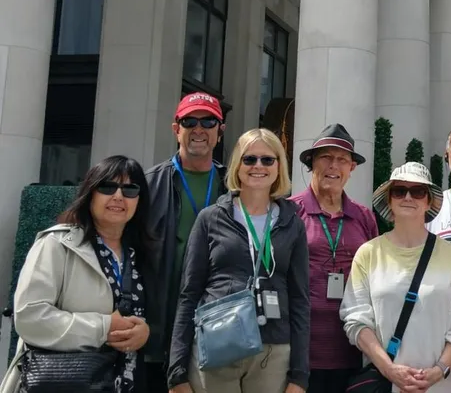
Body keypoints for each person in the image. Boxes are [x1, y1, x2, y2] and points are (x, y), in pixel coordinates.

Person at [167, 129, 311, 393]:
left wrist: (300, 376)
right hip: (217, 343)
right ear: (237, 165)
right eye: (249, 159)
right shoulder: (210, 219)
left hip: (273, 351)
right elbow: (189, 294)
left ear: (279, 166)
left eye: (268, 160)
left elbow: (301, 299)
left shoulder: (293, 224)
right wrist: (176, 372)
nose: (258, 166)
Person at [3, 156, 152, 393]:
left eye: (130, 189)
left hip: (126, 382)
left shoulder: (140, 253)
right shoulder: (57, 244)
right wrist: (102, 328)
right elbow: (30, 317)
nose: (118, 196)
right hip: (62, 382)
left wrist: (144, 331)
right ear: (90, 194)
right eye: (107, 187)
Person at [341, 162, 451, 393]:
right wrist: (390, 370)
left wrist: (438, 370)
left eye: (418, 191)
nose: (408, 197)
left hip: (441, 385)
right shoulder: (368, 253)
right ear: (390, 199)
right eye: (400, 191)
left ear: (428, 201)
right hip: (386, 383)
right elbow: (356, 319)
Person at [143, 92, 228, 390]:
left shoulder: (235, 186)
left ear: (221, 131)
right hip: (160, 326)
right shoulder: (149, 184)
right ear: (175, 128)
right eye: (189, 121)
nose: (199, 129)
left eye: (208, 121)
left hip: (220, 323)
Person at [290, 124, 380, 392]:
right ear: (311, 163)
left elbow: (375, 277)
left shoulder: (364, 217)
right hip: (301, 350)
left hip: (351, 349)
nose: (334, 166)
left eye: (342, 159)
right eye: (326, 157)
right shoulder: (290, 211)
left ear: (352, 168)